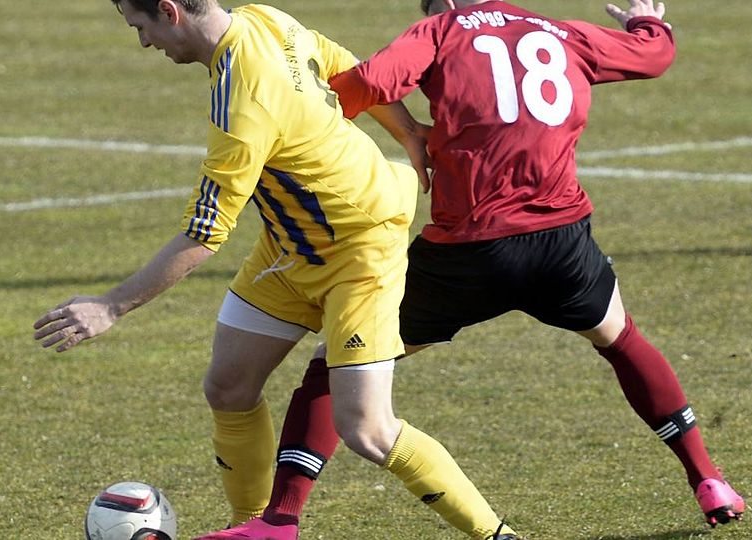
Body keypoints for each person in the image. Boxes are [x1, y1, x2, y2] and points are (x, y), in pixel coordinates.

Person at [194, 0, 746, 538]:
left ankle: (280, 519)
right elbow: (653, 56)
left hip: (467, 253)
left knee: (335, 365)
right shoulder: (558, 31)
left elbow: (367, 84)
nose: (427, 16)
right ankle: (709, 479)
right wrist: (647, 22)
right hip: (561, 243)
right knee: (621, 340)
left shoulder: (442, 31)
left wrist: (313, 103)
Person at [33, 1, 522, 539]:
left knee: (368, 429)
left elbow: (205, 232)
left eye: (140, 26)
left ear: (169, 11)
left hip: (362, 246)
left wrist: (110, 306)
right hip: (293, 245)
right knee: (229, 386)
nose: (144, 41)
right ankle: (254, 529)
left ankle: (496, 535)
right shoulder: (263, 18)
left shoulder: (242, 101)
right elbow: (343, 66)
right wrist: (406, 130)